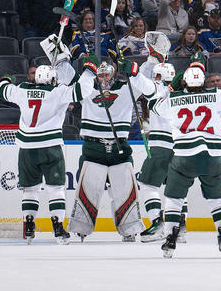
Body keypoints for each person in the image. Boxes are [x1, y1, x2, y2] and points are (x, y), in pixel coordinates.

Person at [150, 61, 221, 258]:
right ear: (204, 82)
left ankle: (170, 238)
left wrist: (170, 88)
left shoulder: (174, 99)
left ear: (184, 81)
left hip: (184, 157)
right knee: (217, 201)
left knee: (174, 200)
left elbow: (153, 105)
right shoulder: (216, 95)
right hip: (212, 157)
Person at [0, 46, 98, 245]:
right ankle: (58, 229)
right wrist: (88, 70)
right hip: (50, 146)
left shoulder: (22, 90)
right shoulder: (57, 91)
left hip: (26, 148)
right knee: (56, 188)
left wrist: (7, 78)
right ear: (52, 80)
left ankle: (29, 227)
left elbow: (1, 90)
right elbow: (83, 90)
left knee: (30, 189)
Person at [65, 55, 157, 242]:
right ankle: (81, 227)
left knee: (124, 190)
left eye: (108, 75)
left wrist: (142, 66)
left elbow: (147, 85)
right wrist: (62, 57)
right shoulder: (87, 89)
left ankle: (129, 228)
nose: (104, 79)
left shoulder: (126, 89)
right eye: (100, 75)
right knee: (89, 188)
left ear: (114, 75)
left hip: (119, 148)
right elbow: (67, 75)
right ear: (95, 76)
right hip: (93, 147)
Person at [136, 63, 182, 242]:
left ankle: (157, 223)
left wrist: (132, 71)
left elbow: (139, 81)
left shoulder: (156, 88)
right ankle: (180, 228)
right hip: (179, 146)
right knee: (176, 187)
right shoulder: (183, 93)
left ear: (157, 77)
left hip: (160, 145)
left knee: (148, 185)